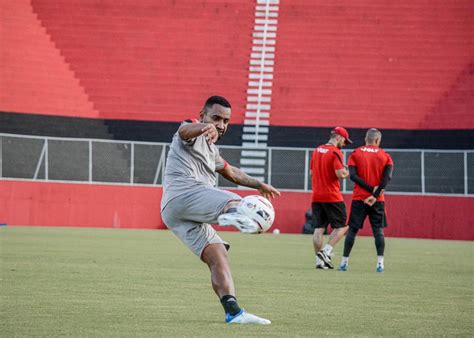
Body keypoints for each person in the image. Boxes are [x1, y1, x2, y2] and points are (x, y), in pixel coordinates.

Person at [160, 96, 280, 325]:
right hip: (184, 193)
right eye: (216, 118)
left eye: (225, 121)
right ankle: (236, 213)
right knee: (235, 200)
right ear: (202, 114)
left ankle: (234, 312)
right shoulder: (189, 129)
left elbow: (231, 173)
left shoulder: (212, 150)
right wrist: (204, 127)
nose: (221, 125)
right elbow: (186, 131)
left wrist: (258, 184)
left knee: (218, 255)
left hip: (175, 213)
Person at [338, 128, 394, 273]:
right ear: (377, 140)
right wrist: (374, 195)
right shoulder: (385, 156)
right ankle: (380, 264)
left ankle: (344, 262)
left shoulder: (356, 153)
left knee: (353, 230)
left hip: (359, 198)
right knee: (378, 231)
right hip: (377, 200)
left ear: (365, 139)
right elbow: (387, 178)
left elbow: (353, 176)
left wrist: (369, 191)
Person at [310, 127, 351, 269]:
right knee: (344, 225)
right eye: (344, 141)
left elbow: (311, 173)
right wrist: (347, 171)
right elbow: (340, 174)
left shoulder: (316, 150)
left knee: (318, 228)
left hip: (316, 195)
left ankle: (319, 261)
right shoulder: (336, 152)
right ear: (339, 137)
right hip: (332, 195)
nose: (344, 144)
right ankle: (326, 252)